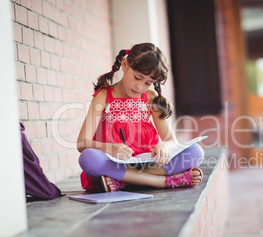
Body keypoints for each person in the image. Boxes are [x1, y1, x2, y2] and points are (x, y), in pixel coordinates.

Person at [77, 43, 204, 192]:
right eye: (137, 77)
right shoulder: (103, 96)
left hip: (147, 163)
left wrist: (164, 146)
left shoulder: (151, 98)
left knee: (196, 152)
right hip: (116, 162)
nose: (140, 87)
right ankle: (163, 182)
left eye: (148, 83)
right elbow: (82, 143)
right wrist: (110, 148)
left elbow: (172, 140)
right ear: (124, 64)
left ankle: (124, 181)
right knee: (88, 158)